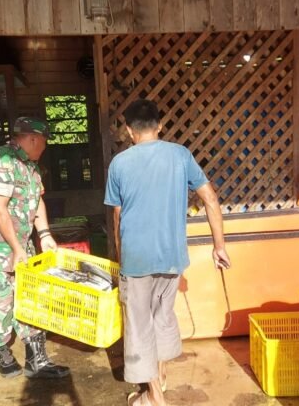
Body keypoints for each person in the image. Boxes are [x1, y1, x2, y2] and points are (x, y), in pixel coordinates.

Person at [104, 99, 231, 405]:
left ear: (128, 129)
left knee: (140, 325)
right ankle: (157, 380)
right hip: (172, 258)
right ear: (159, 126)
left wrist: (122, 259)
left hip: (137, 259)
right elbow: (211, 199)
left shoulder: (119, 163)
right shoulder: (180, 155)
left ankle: (155, 399)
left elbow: (118, 216)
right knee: (162, 317)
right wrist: (219, 246)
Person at [0, 116, 70, 379]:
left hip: (20, 246)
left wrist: (44, 234)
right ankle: (2, 354)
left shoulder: (29, 166)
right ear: (33, 138)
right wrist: (16, 249)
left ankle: (37, 360)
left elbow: (38, 201)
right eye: (44, 142)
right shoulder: (0, 161)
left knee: (30, 299)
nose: (45, 148)